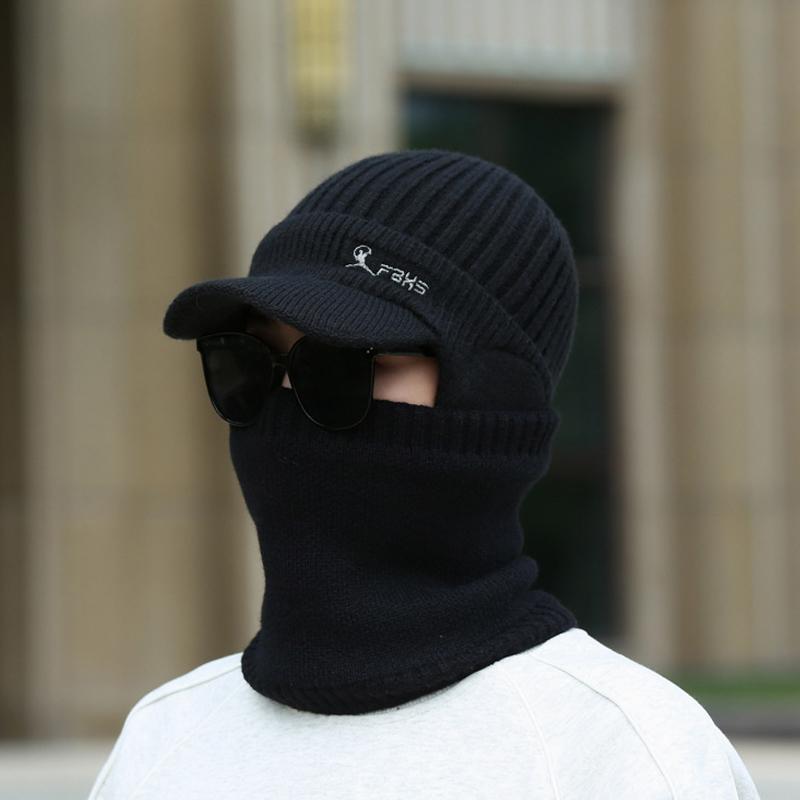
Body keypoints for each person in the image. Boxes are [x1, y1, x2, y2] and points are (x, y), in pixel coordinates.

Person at [88, 148, 760, 799]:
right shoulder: (163, 736)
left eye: (344, 364)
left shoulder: (624, 752)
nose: (282, 404)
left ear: (490, 404)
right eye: (247, 362)